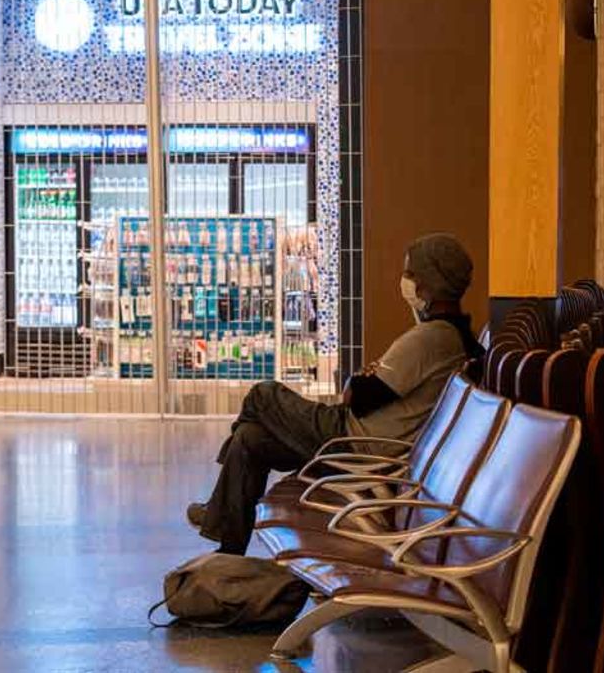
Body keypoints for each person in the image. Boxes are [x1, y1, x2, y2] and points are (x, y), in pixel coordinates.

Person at [187, 232, 483, 555]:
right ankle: (228, 553)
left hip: (351, 444)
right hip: (363, 443)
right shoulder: (455, 339)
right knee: (248, 439)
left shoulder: (430, 337)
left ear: (429, 282)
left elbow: (356, 396)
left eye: (411, 273)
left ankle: (217, 511)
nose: (405, 281)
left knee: (263, 394)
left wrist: (359, 379)